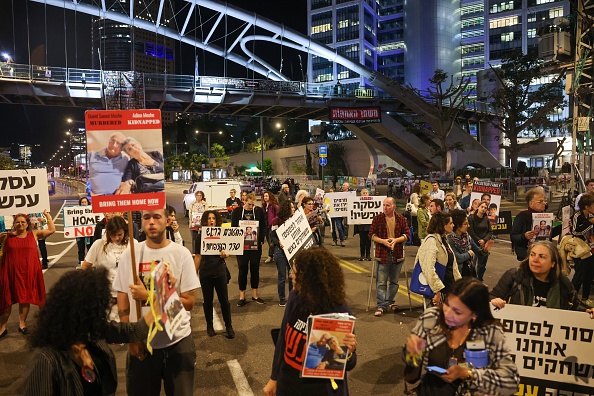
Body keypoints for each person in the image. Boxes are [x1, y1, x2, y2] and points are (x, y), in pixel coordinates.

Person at [17, 268, 159, 395]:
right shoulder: (45, 360)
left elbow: (133, 331)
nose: (100, 316)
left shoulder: (91, 331)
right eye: (94, 311)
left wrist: (159, 298)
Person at [114, 207, 200, 396]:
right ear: (141, 222)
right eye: (146, 217)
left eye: (156, 217)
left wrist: (151, 297)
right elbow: (122, 298)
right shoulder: (131, 254)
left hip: (178, 341)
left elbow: (189, 302)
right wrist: (130, 337)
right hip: (142, 343)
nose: (151, 222)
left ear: (167, 220)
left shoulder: (181, 253)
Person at [263, 248, 357, 396]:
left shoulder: (339, 310)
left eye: (295, 272)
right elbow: (282, 340)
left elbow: (349, 365)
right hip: (288, 385)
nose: (291, 275)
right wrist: (274, 378)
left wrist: (348, 353)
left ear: (310, 279)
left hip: (320, 390)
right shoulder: (295, 297)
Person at [404, 277, 519, 396]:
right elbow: (411, 369)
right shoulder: (431, 318)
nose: (447, 314)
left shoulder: (490, 333)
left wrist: (467, 373)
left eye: (457, 312)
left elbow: (510, 382)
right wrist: (412, 353)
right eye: (447, 304)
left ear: (474, 314)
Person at [0, 211, 55, 337]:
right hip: (11, 274)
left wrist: (48, 216)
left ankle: (22, 324)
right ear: (14, 224)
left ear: (27, 224)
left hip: (28, 273)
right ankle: (2, 327)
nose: (20, 224)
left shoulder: (34, 234)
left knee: (25, 298)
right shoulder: (6, 236)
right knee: (7, 300)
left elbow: (52, 230)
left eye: (23, 222)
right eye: (17, 222)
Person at [490, 241, 581, 310]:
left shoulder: (563, 283)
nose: (535, 260)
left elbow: (575, 307)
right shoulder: (514, 277)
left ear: (553, 263)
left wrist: (588, 312)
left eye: (542, 257)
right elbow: (491, 297)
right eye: (532, 255)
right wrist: (494, 301)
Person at [194, 210, 235, 338]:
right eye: (209, 218)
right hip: (206, 273)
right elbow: (198, 257)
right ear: (205, 221)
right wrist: (193, 275)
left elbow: (227, 252)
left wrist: (226, 254)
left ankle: (228, 326)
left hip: (220, 272)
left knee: (224, 301)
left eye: (213, 218)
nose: (211, 220)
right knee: (208, 301)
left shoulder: (222, 236)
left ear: (217, 221)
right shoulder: (200, 237)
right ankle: (209, 326)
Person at [82, 216, 131, 321]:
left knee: (126, 328)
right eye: (113, 235)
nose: (117, 238)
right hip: (106, 295)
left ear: (125, 232)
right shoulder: (99, 244)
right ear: (108, 233)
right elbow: (85, 266)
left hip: (127, 295)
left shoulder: (133, 244)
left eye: (120, 234)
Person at [369, 197, 410, 316]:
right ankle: (382, 305)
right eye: (384, 205)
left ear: (394, 206)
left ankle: (388, 302)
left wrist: (396, 240)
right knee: (381, 282)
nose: (385, 208)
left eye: (387, 205)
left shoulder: (401, 219)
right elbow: (371, 235)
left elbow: (407, 235)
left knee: (394, 282)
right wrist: (383, 241)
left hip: (397, 254)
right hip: (382, 254)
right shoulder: (378, 219)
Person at [415, 212, 461, 306]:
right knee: (433, 319)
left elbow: (452, 266)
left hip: (446, 289)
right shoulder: (431, 241)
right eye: (451, 223)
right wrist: (437, 291)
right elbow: (429, 269)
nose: (453, 225)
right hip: (436, 292)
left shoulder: (443, 239)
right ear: (443, 226)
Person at [231, 193, 266, 307]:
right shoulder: (236, 212)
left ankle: (255, 294)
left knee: (255, 269)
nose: (251, 207)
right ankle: (242, 296)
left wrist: (261, 239)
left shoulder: (259, 211)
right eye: (249, 204)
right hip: (241, 247)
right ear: (244, 201)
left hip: (255, 246)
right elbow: (233, 228)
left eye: (253, 205)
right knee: (242, 269)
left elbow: (263, 226)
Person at [570, 193, 594, 308]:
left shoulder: (590, 215)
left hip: (590, 249)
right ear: (587, 206)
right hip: (579, 250)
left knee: (589, 274)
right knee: (579, 274)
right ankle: (571, 298)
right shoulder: (577, 216)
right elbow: (575, 232)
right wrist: (590, 223)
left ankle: (585, 298)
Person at [270, 200, 296, 307]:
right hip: (280, 251)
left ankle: (292, 297)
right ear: (286, 209)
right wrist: (279, 242)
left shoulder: (295, 220)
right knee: (282, 276)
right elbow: (272, 236)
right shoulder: (277, 220)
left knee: (292, 276)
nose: (294, 209)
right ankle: (282, 298)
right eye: (291, 207)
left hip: (292, 251)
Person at [510, 188, 547, 261]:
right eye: (540, 201)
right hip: (526, 253)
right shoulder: (522, 216)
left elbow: (550, 234)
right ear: (531, 203)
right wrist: (524, 236)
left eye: (544, 201)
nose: (544, 203)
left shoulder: (545, 216)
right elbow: (513, 236)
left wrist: (563, 226)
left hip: (543, 251)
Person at [447, 209, 483, 277]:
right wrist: (469, 253)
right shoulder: (450, 239)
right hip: (458, 273)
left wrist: (485, 250)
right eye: (465, 224)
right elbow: (458, 258)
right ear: (458, 225)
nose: (468, 226)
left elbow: (478, 251)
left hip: (469, 270)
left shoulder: (466, 236)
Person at [467, 201, 494, 282]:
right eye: (482, 207)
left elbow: (490, 232)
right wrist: (479, 241)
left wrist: (484, 240)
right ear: (478, 207)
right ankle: (472, 280)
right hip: (473, 243)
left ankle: (480, 280)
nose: (483, 209)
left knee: (482, 265)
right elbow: (470, 231)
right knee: (472, 264)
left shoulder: (486, 219)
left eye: (485, 208)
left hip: (484, 245)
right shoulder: (471, 218)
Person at [354, 188, 372, 260]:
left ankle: (368, 255)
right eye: (363, 193)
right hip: (361, 225)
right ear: (361, 194)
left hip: (369, 226)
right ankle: (362, 255)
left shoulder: (372, 202)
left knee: (369, 241)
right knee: (362, 241)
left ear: (368, 194)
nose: (365, 194)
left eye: (366, 193)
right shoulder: (357, 202)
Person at [262, 190, 280, 264]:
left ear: (270, 196)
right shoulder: (263, 205)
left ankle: (271, 256)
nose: (265, 197)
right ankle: (272, 256)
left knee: (272, 242)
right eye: (264, 196)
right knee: (269, 242)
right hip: (265, 226)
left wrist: (273, 221)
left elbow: (278, 215)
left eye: (266, 196)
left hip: (272, 226)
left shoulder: (274, 206)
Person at [76, 196, 93, 264]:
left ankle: (90, 262)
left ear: (88, 202)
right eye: (82, 202)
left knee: (90, 248)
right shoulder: (76, 211)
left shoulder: (92, 210)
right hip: (80, 234)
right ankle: (81, 262)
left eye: (85, 202)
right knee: (81, 249)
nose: (84, 203)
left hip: (90, 234)